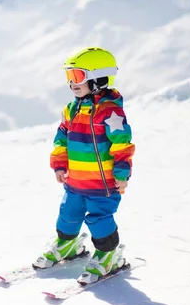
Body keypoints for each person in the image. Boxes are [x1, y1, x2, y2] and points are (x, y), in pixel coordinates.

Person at [32, 47, 135, 285]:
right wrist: (59, 165)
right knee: (68, 215)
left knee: (99, 220)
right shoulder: (71, 109)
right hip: (75, 182)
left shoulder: (110, 111)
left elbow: (122, 144)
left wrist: (122, 173)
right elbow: (61, 138)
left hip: (103, 184)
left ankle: (108, 255)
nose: (72, 83)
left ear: (99, 78)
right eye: (69, 77)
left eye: (77, 76)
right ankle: (67, 245)